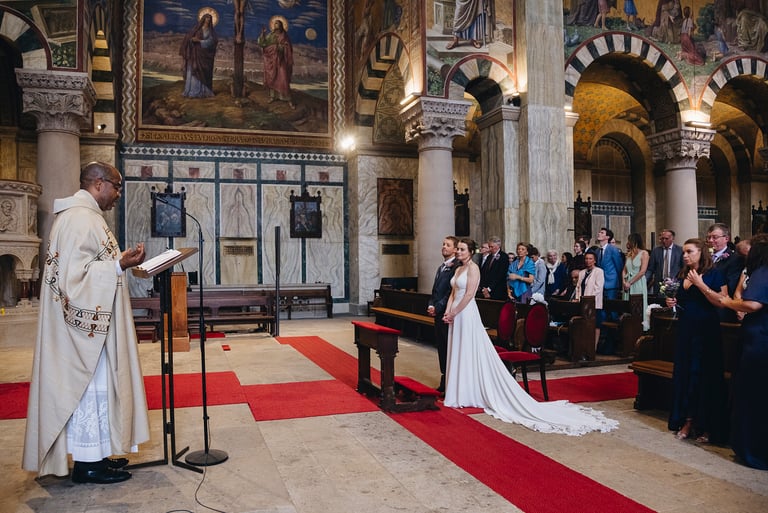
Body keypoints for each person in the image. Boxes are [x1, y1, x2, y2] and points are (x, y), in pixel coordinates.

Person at [23, 162, 150, 484]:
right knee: (89, 390)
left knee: (100, 390)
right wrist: (118, 264)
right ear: (98, 183)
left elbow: (87, 267)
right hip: (84, 332)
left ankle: (98, 455)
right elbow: (72, 281)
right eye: (116, 186)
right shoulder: (80, 219)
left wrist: (116, 264)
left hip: (97, 324)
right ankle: (87, 463)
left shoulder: (87, 217)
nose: (118, 195)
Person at [442, 238, 618, 435]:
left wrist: (455, 311)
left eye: (462, 249)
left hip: (465, 313)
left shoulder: (474, 268)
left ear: (471, 251)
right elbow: (454, 292)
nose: (458, 251)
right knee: (457, 350)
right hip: (455, 314)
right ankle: (458, 390)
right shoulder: (458, 269)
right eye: (457, 249)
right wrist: (448, 312)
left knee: (467, 350)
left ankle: (469, 391)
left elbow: (468, 295)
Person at [665, 238, 728, 444]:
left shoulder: (714, 273)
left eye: (689, 251)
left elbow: (721, 302)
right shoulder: (682, 274)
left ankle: (706, 424)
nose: (685, 255)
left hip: (706, 331)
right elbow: (681, 299)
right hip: (686, 331)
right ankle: (687, 419)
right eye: (683, 252)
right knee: (686, 374)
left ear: (701, 252)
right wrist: (672, 300)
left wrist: (701, 285)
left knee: (703, 377)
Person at [719, 233, 768, 470]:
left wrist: (727, 302)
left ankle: (752, 449)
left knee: (753, 395)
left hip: (759, 341)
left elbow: (753, 304)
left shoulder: (763, 271)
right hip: (759, 339)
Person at [427, 236, 459, 393]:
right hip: (438, 312)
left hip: (448, 313)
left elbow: (449, 292)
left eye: (447, 245)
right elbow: (435, 290)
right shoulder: (441, 267)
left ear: (455, 249)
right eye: (443, 244)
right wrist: (431, 304)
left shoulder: (456, 267)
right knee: (441, 346)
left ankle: (450, 380)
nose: (443, 247)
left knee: (449, 346)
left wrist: (438, 307)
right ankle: (444, 377)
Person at [707, 222, 744, 322]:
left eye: (714, 237)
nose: (710, 240)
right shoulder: (705, 258)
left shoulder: (734, 259)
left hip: (721, 310)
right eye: (709, 237)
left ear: (726, 238)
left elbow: (731, 286)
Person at [258, 17, 295, 108]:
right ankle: (273, 96)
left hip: (281, 60)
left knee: (283, 78)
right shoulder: (271, 35)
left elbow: (288, 47)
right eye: (274, 24)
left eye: (277, 23)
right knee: (272, 77)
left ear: (281, 25)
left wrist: (281, 47)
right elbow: (263, 44)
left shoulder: (284, 36)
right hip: (271, 60)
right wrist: (263, 34)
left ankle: (288, 99)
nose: (275, 25)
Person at [180, 13, 218, 98]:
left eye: (209, 19)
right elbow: (188, 37)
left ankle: (202, 92)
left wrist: (200, 41)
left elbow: (212, 41)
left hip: (204, 56)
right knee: (193, 70)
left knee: (201, 72)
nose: (208, 20)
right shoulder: (197, 29)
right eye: (206, 18)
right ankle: (191, 91)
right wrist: (192, 40)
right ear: (203, 19)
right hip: (194, 54)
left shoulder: (210, 31)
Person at [576, 248, 604, 356]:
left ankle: (593, 348)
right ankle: (583, 347)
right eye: (586, 259)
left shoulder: (599, 272)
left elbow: (598, 288)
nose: (588, 261)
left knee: (595, 326)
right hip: (583, 303)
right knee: (584, 325)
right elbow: (578, 287)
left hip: (594, 303)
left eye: (590, 259)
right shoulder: (582, 272)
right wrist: (579, 298)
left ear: (595, 260)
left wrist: (588, 299)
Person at [622, 233, 649, 327]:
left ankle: (639, 327)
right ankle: (629, 328)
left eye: (629, 240)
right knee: (628, 306)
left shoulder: (644, 253)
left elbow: (642, 271)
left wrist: (630, 282)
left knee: (638, 306)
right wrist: (624, 282)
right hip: (627, 284)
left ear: (634, 241)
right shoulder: (629, 254)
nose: (627, 243)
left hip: (638, 282)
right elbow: (624, 270)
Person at [645, 229, 683, 295]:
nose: (664, 241)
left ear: (672, 239)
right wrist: (644, 281)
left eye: (666, 238)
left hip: (674, 285)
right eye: (662, 238)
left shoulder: (680, 250)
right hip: (659, 285)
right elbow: (650, 269)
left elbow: (683, 268)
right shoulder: (656, 251)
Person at [596, 227, 623, 301]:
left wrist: (619, 282)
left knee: (612, 308)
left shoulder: (613, 249)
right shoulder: (598, 251)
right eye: (599, 232)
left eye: (602, 233)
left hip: (611, 283)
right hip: (600, 283)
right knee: (601, 308)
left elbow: (619, 266)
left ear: (607, 237)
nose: (599, 233)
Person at [477, 236, 508, 300]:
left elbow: (500, 275)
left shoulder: (503, 257)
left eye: (492, 247)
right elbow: (484, 272)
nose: (490, 249)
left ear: (498, 246)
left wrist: (489, 288)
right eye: (489, 246)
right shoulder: (489, 257)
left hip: (497, 290)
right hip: (486, 290)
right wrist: (484, 288)